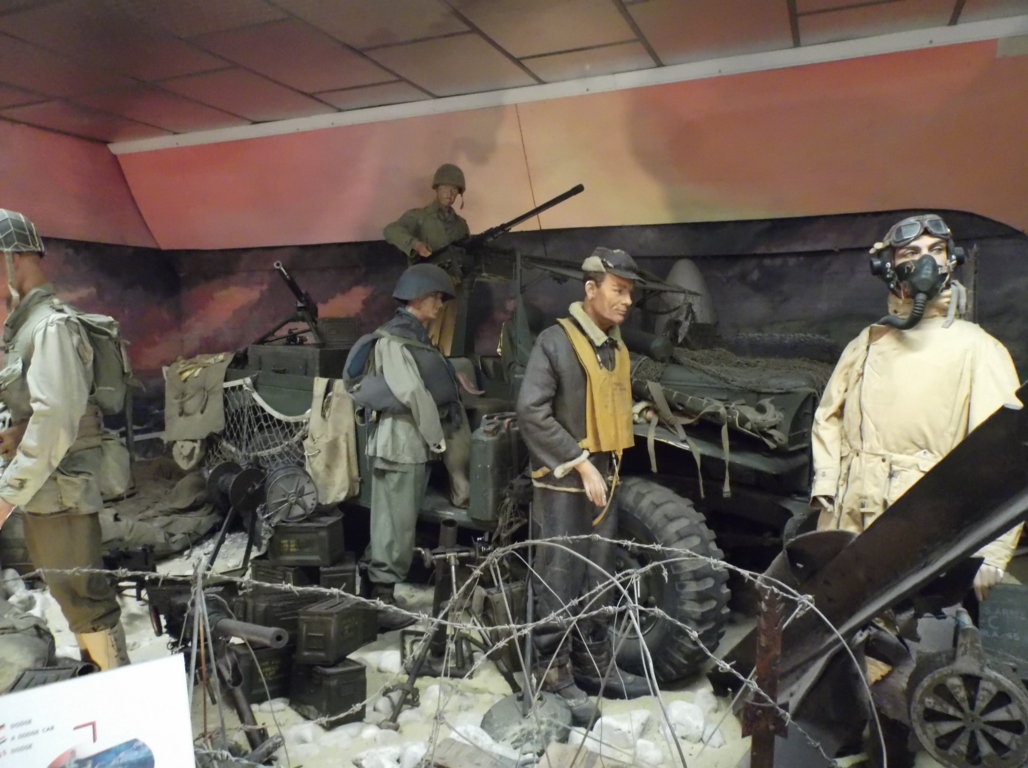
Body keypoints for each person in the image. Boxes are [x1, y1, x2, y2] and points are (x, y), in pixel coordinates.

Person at [811, 213, 1023, 603]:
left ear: (951, 260)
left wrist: (991, 552)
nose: (925, 261)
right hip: (848, 520)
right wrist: (826, 484)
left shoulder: (978, 349)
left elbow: (1002, 458)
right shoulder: (867, 342)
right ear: (887, 267)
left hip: (919, 529)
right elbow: (828, 417)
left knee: (912, 624)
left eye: (936, 250)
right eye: (911, 252)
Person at [516, 247, 651, 724]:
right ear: (591, 289)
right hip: (565, 481)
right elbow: (531, 411)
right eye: (618, 290)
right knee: (560, 574)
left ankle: (591, 661)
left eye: (630, 292)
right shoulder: (555, 343)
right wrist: (578, 462)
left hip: (605, 474)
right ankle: (550, 673)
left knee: (598, 572)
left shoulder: (613, 345)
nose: (627, 300)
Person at [0, 208, 129, 669]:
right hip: (44, 487)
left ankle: (114, 689)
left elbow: (56, 417)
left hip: (62, 488)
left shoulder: (50, 327)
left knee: (82, 596)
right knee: (66, 590)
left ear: (14, 258)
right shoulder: (22, 328)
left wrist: (7, 495)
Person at [354, 263, 471, 631]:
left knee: (397, 524)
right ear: (417, 297)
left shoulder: (414, 336)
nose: (439, 304)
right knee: (393, 526)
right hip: (400, 443)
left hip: (410, 442)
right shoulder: (394, 340)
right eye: (435, 297)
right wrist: (438, 438)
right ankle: (381, 601)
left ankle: (375, 594)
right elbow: (412, 393)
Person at [383, 163, 470, 354]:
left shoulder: (461, 225)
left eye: (455, 190)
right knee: (421, 340)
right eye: (446, 188)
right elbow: (391, 230)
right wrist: (415, 244)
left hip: (452, 290)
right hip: (425, 292)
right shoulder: (419, 217)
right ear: (437, 188)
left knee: (449, 343)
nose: (450, 193)